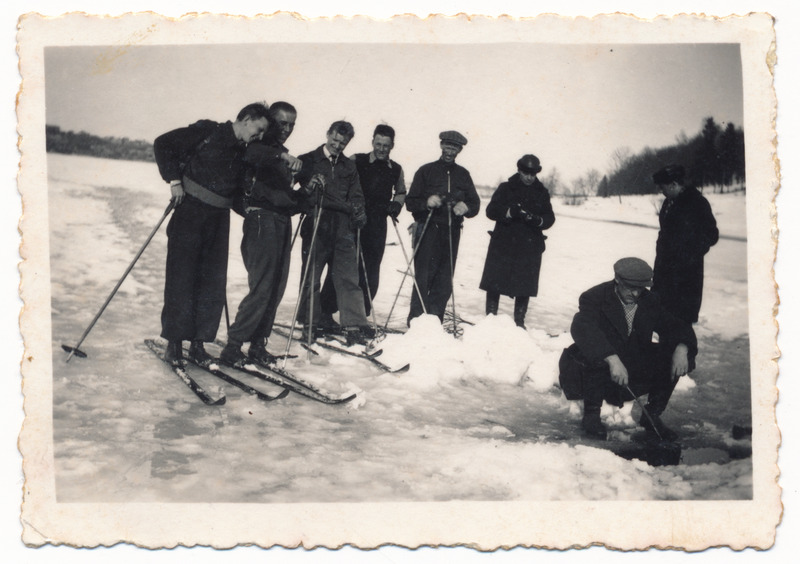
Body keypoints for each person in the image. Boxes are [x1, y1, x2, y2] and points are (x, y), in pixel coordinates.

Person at [153, 102, 271, 366]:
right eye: (259, 129)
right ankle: (174, 344)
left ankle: (198, 345)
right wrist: (174, 181)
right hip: (190, 213)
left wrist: (247, 208)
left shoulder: (244, 151)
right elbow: (162, 143)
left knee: (211, 282)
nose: (260, 136)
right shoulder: (208, 131)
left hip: (219, 220)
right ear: (246, 119)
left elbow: (234, 192)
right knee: (182, 278)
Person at [557, 258, 698, 440]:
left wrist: (682, 347)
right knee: (595, 356)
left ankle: (652, 415)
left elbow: (675, 326)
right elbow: (583, 328)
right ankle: (591, 415)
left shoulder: (649, 300)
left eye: (640, 288)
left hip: (631, 360)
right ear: (617, 280)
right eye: (631, 287)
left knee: (670, 355)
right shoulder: (594, 297)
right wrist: (612, 358)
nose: (635, 293)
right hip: (597, 366)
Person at [219, 102, 305, 366]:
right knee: (262, 286)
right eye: (282, 123)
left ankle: (258, 344)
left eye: (292, 124)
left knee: (276, 287)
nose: (287, 129)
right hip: (262, 222)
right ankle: (233, 346)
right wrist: (281, 158)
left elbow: (287, 200)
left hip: (280, 222)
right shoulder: (257, 147)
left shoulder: (282, 154)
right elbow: (252, 157)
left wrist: (307, 191)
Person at [319, 124, 407, 327]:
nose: (382, 149)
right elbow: (341, 180)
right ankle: (325, 312)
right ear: (372, 142)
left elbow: (401, 192)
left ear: (392, 145)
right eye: (378, 144)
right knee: (342, 266)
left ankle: (359, 316)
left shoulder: (395, 169)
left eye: (386, 145)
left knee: (371, 268)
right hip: (351, 220)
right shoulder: (356, 160)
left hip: (376, 224)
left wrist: (396, 204)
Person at [295, 121, 373, 346]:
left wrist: (358, 210)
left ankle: (353, 324)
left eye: (343, 143)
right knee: (312, 277)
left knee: (348, 276)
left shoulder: (349, 166)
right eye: (335, 140)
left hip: (343, 226)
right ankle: (309, 323)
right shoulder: (308, 159)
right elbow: (296, 190)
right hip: (317, 222)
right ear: (328, 134)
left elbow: (356, 194)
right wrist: (308, 191)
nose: (338, 146)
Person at [404, 130, 480, 325]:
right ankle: (416, 321)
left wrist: (466, 207)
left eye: (454, 147)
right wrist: (427, 202)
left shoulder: (463, 175)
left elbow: (475, 204)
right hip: (428, 229)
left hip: (451, 232)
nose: (450, 150)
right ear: (441, 146)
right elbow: (411, 202)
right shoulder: (426, 170)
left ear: (459, 150)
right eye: (447, 145)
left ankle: (434, 321)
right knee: (423, 277)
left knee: (444, 279)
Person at [479, 154, 555, 329]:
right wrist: (508, 212)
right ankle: (490, 319)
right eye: (526, 173)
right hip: (503, 243)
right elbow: (491, 211)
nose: (529, 177)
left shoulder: (542, 193)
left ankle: (519, 322)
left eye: (533, 174)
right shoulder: (506, 188)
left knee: (525, 283)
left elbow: (549, 218)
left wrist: (537, 220)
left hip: (529, 246)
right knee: (495, 281)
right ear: (519, 170)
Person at [651, 164, 719, 324]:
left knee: (681, 320)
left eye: (663, 187)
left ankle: (681, 349)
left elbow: (711, 235)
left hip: (685, 275)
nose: (661, 191)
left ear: (674, 184)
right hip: (665, 271)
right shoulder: (669, 203)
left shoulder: (697, 203)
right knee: (664, 317)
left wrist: (688, 254)